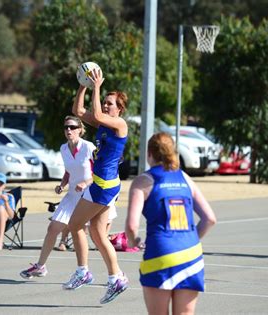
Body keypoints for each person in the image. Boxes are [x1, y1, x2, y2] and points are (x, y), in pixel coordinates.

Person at [125, 132, 217, 314]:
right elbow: (210, 219)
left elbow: (131, 226)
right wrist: (189, 240)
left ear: (149, 154)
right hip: (191, 253)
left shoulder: (143, 181)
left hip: (161, 253)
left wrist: (134, 241)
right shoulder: (185, 178)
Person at [64, 68, 129, 304]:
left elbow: (99, 116)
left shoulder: (119, 124)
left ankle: (83, 272)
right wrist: (83, 84)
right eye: (105, 102)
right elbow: (78, 111)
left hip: (103, 185)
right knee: (98, 234)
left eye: (110, 103)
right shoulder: (103, 123)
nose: (105, 105)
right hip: (103, 184)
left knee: (74, 224)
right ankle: (116, 278)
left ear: (119, 109)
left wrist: (98, 85)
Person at [20, 116, 95, 278]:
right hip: (71, 195)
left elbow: (101, 172)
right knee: (52, 228)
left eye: (73, 127)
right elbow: (68, 171)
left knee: (96, 236)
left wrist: (86, 182)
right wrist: (62, 184)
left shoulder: (89, 147)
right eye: (66, 127)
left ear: (80, 130)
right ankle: (40, 266)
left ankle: (113, 274)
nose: (69, 130)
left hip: (89, 195)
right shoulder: (63, 149)